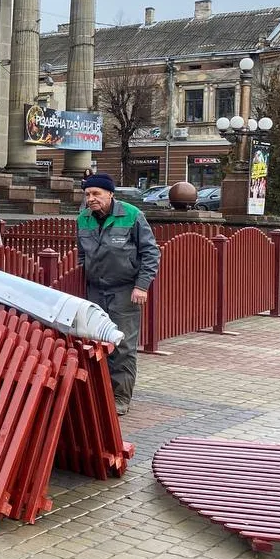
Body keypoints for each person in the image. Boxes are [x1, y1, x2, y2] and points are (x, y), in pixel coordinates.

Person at [77, 173, 161, 416]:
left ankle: (120, 398)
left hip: (124, 290)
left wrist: (142, 286)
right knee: (94, 343)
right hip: (95, 291)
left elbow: (150, 253)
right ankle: (99, 394)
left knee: (122, 345)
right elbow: (82, 254)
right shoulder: (83, 218)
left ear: (110, 194)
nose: (91, 199)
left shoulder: (132, 215)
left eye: (96, 194)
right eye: (87, 194)